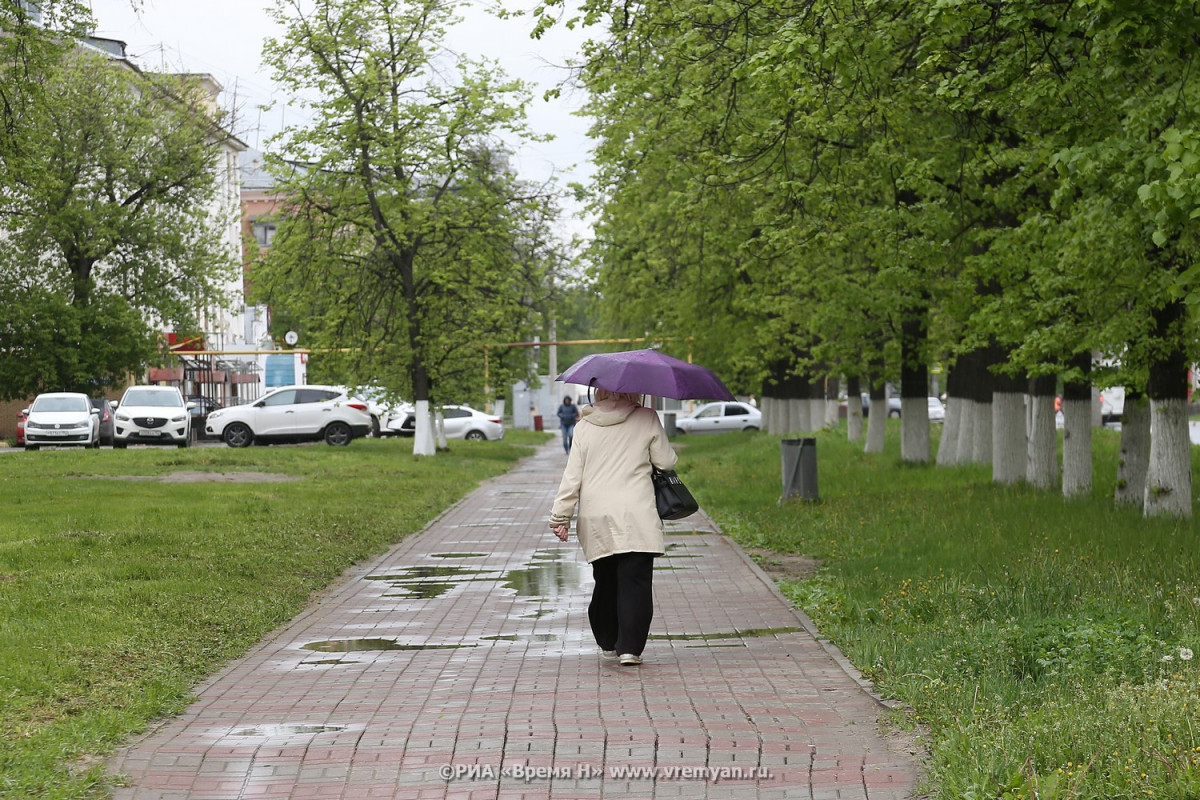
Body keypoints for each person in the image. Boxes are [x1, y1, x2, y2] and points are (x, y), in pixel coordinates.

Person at [548, 389, 677, 666]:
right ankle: (630, 648)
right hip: (637, 513)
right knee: (636, 582)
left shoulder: (583, 426)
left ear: (598, 392)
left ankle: (607, 640)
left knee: (605, 580)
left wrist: (560, 517)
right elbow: (666, 462)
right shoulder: (646, 417)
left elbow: (573, 476)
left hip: (597, 516)